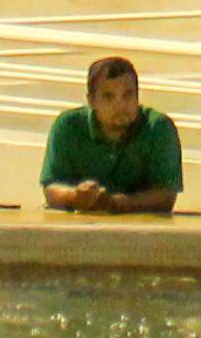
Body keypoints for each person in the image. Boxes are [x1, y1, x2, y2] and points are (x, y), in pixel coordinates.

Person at [40, 55, 184, 217]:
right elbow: (51, 188)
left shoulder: (158, 128)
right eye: (108, 96)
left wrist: (114, 203)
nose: (120, 105)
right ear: (91, 101)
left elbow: (166, 196)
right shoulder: (67, 126)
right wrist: (76, 196)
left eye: (128, 95)